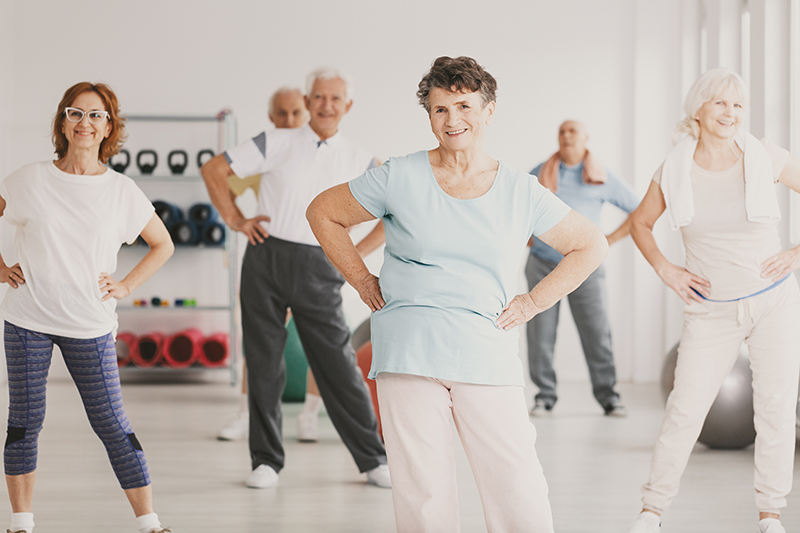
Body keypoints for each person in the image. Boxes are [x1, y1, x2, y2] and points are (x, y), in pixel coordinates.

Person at [307, 56, 608, 532]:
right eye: (440, 109)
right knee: (423, 497)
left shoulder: (519, 190)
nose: (452, 120)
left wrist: (533, 301)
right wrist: (362, 280)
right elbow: (323, 212)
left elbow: (590, 243)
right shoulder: (398, 176)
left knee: (519, 490)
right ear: (429, 115)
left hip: (485, 348)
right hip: (408, 349)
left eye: (464, 106)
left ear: (489, 110)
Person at [625, 68, 800, 533]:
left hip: (773, 301)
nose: (731, 113)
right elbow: (640, 224)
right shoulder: (674, 168)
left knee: (777, 409)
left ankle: (770, 513)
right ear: (698, 108)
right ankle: (651, 510)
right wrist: (667, 269)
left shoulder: (766, 156)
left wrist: (796, 254)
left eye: (738, 105)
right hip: (711, 307)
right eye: (721, 103)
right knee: (685, 409)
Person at [201, 67, 390, 490]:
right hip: (266, 259)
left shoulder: (362, 159)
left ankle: (373, 460)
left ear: (348, 106)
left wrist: (351, 257)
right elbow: (215, 169)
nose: (325, 105)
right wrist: (235, 219)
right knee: (264, 362)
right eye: (318, 97)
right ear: (307, 101)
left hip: (320, 267)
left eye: (335, 98)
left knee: (338, 365)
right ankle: (266, 461)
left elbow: (392, 215)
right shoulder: (277, 141)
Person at [0, 82, 174, 533]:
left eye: (96, 115)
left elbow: (162, 244)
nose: (85, 123)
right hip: (27, 319)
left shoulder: (122, 191)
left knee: (112, 423)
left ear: (108, 127)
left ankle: (150, 523)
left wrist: (126, 285)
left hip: (90, 323)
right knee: (24, 421)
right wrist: (1, 268)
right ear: (63, 121)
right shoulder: (28, 179)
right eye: (76, 113)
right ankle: (20, 524)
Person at [217, 86, 327, 443]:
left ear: (308, 111)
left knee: (319, 345)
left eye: (296, 113)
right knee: (260, 340)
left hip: (315, 261)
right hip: (271, 263)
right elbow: (224, 182)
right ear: (271, 117)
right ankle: (247, 413)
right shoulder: (262, 156)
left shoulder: (322, 154)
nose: (290, 120)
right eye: (282, 113)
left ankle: (309, 415)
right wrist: (239, 220)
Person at [527, 120, 639, 417]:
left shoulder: (601, 176)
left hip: (586, 268)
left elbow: (639, 208)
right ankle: (544, 396)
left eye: (572, 131)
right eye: (561, 131)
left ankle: (609, 397)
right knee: (540, 332)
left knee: (596, 331)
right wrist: (526, 239)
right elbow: (514, 206)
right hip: (541, 264)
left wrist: (607, 240)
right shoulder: (539, 173)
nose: (565, 135)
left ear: (586, 138)